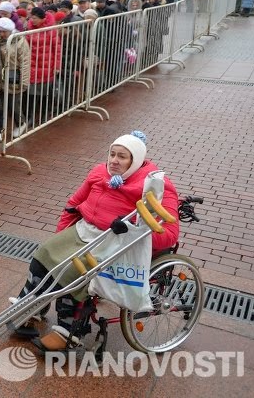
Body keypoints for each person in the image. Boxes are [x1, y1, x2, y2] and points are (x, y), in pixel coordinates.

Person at [13, 131, 179, 351]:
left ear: (135, 161)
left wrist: (130, 229)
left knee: (71, 273)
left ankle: (68, 332)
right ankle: (30, 307)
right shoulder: (100, 171)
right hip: (84, 230)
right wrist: (60, 236)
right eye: (112, 154)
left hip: (114, 241)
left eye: (122, 156)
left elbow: (170, 233)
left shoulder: (156, 185)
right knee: (44, 254)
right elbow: (74, 203)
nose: (114, 161)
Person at [0, 17, 30, 140]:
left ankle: (20, 123)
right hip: (1, 77)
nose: (2, 34)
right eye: (0, 31)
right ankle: (0, 130)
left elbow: (25, 62)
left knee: (14, 105)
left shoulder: (20, 41)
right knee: (0, 106)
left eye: (4, 31)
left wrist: (24, 81)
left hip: (15, 78)